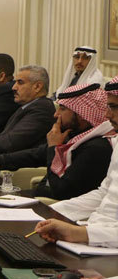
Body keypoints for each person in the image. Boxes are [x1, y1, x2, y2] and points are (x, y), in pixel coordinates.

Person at [0, 83, 113, 200]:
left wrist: (54, 147)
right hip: (40, 197)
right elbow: (34, 155)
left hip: (54, 207)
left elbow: (61, 191)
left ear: (81, 113)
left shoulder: (97, 147)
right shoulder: (74, 136)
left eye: (62, 109)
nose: (56, 114)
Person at [33, 76, 118, 248]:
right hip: (96, 233)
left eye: (114, 107)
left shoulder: (99, 146)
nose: (107, 114)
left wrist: (78, 233)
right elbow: (104, 192)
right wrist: (53, 212)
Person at [0, 65, 55, 156]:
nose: (14, 87)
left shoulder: (42, 109)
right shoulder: (27, 107)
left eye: (20, 82)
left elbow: (11, 141)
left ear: (37, 86)